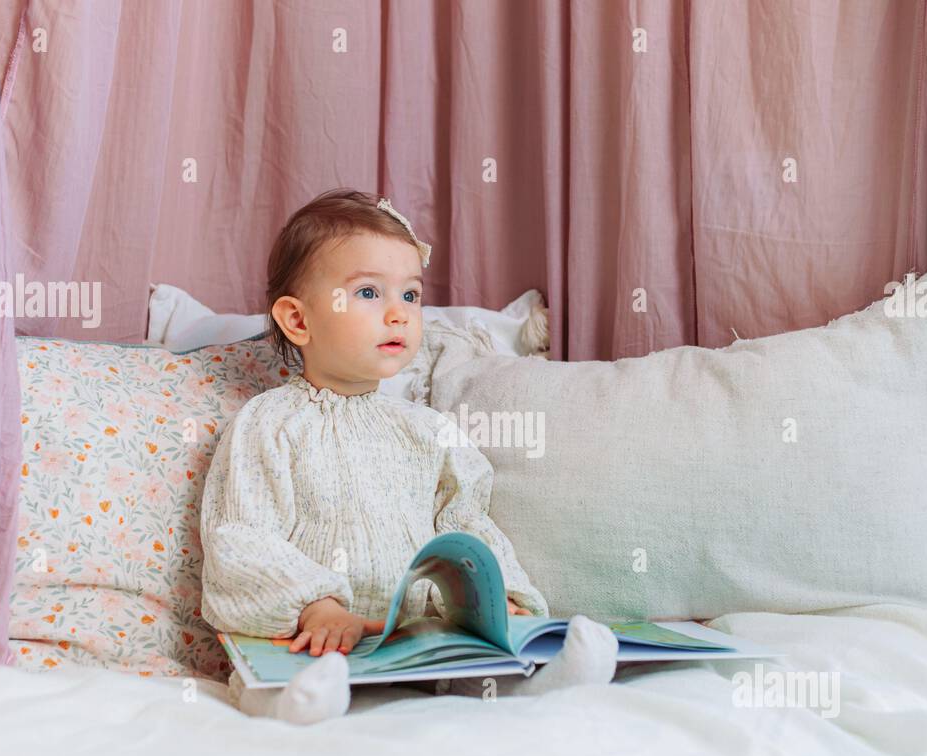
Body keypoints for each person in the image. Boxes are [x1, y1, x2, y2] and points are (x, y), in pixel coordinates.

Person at [199, 188, 617, 723]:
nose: (399, 314)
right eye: (370, 293)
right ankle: (299, 705)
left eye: (412, 296)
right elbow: (240, 536)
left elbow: (468, 524)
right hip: (318, 638)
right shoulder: (268, 424)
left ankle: (545, 683)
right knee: (270, 678)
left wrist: (501, 598)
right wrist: (314, 605)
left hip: (419, 640)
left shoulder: (427, 432)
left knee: (482, 669)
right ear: (298, 321)